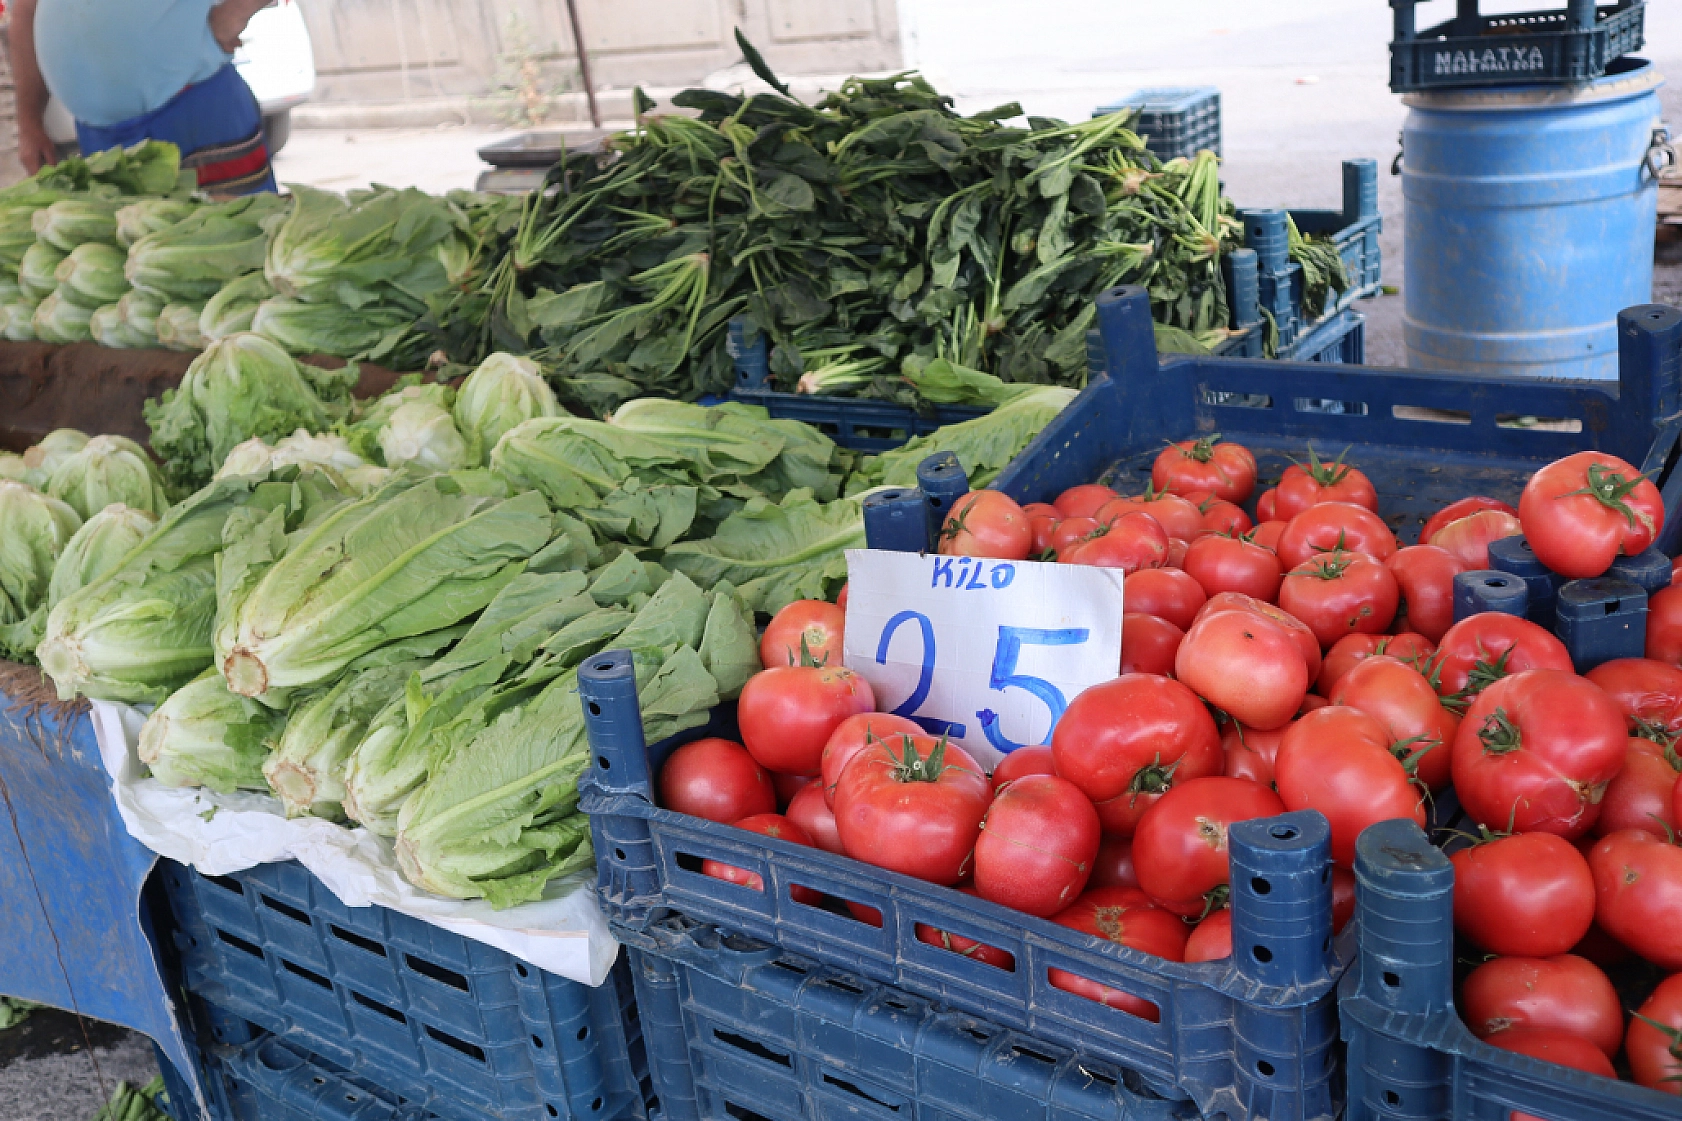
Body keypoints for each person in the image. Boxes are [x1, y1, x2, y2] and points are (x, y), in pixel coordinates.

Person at [9, 0, 277, 195]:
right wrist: (29, 121)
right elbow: (25, 10)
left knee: (233, 254)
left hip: (194, 109)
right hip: (100, 140)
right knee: (130, 263)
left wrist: (232, 14)